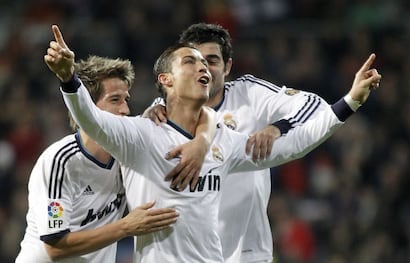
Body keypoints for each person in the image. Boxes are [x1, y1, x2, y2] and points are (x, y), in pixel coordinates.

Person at [44, 24, 380, 262]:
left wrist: (349, 101)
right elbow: (90, 118)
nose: (203, 67)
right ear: (166, 80)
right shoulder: (141, 133)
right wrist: (67, 78)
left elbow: (296, 145)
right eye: (190, 61)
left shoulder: (223, 140)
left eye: (207, 62)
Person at [144, 23, 380, 262]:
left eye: (212, 60)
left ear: (227, 67)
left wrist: (277, 127)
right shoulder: (160, 112)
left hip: (246, 250)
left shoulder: (248, 93)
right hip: (185, 251)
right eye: (195, 61)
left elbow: (313, 106)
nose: (204, 68)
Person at [15, 55, 180, 263]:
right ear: (88, 108)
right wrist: (126, 227)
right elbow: (55, 247)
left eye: (126, 99)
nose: (125, 110)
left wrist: (158, 107)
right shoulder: (61, 160)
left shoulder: (128, 157)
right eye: (114, 100)